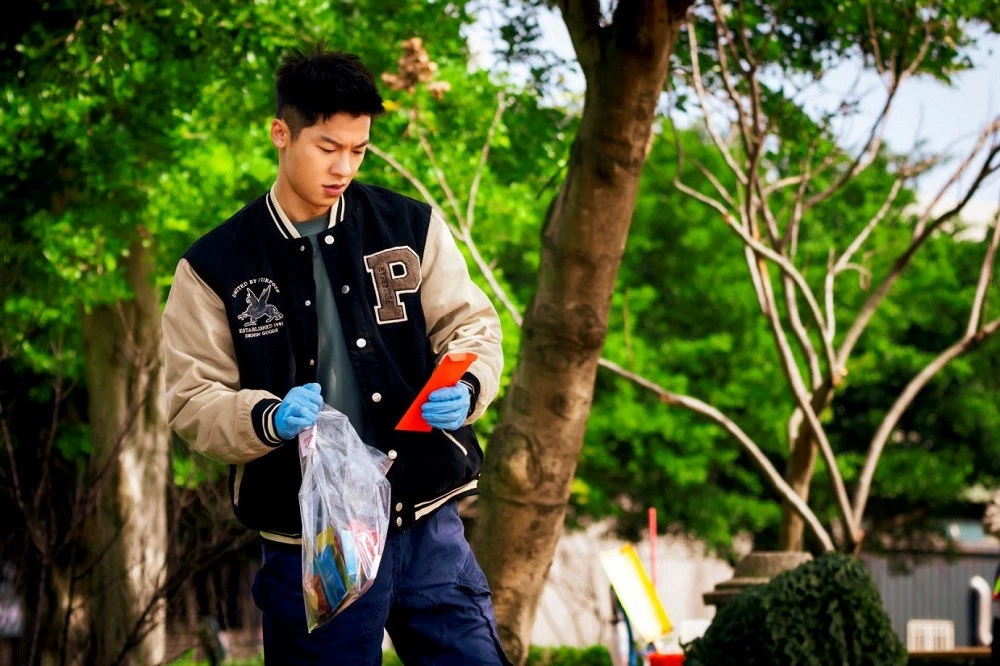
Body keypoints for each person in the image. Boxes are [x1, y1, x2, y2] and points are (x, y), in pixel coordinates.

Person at [162, 46, 508, 665]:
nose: (343, 167)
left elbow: (472, 327)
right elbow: (191, 399)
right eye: (327, 147)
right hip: (310, 540)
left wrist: (470, 385)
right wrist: (266, 417)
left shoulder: (411, 226)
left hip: (426, 520)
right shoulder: (214, 266)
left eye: (359, 150)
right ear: (281, 133)